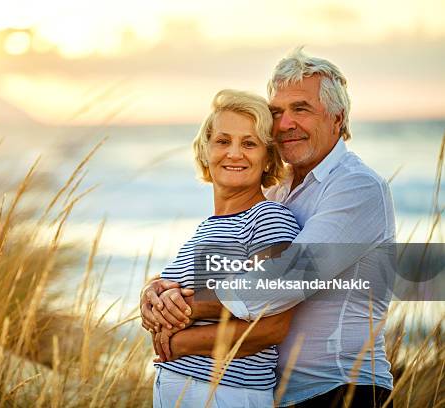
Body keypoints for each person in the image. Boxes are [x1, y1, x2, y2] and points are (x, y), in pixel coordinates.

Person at [141, 48, 395, 407]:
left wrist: (186, 309)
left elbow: (287, 280)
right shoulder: (277, 192)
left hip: (339, 388)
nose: (285, 123)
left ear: (338, 119)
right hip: (281, 392)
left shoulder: (357, 187)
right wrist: (155, 290)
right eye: (277, 112)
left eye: (301, 109)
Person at [150, 88, 301, 407]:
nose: (234, 153)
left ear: (267, 157)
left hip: (226, 393)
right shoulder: (207, 227)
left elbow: (273, 326)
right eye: (223, 141)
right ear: (205, 150)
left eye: (249, 143)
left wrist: (178, 343)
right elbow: (183, 293)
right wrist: (151, 296)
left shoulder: (269, 218)